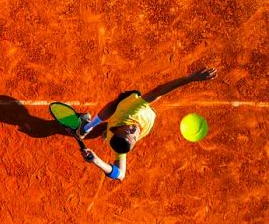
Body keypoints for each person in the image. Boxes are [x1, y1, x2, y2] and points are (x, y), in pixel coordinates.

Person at [76, 66, 218, 181]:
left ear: (119, 128)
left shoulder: (130, 110)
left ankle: (87, 126)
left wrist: (190, 78)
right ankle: (103, 131)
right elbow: (121, 175)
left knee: (115, 105)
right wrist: (96, 161)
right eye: (134, 136)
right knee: (111, 132)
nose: (133, 130)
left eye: (127, 131)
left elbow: (158, 91)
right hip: (123, 126)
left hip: (126, 106)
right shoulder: (121, 147)